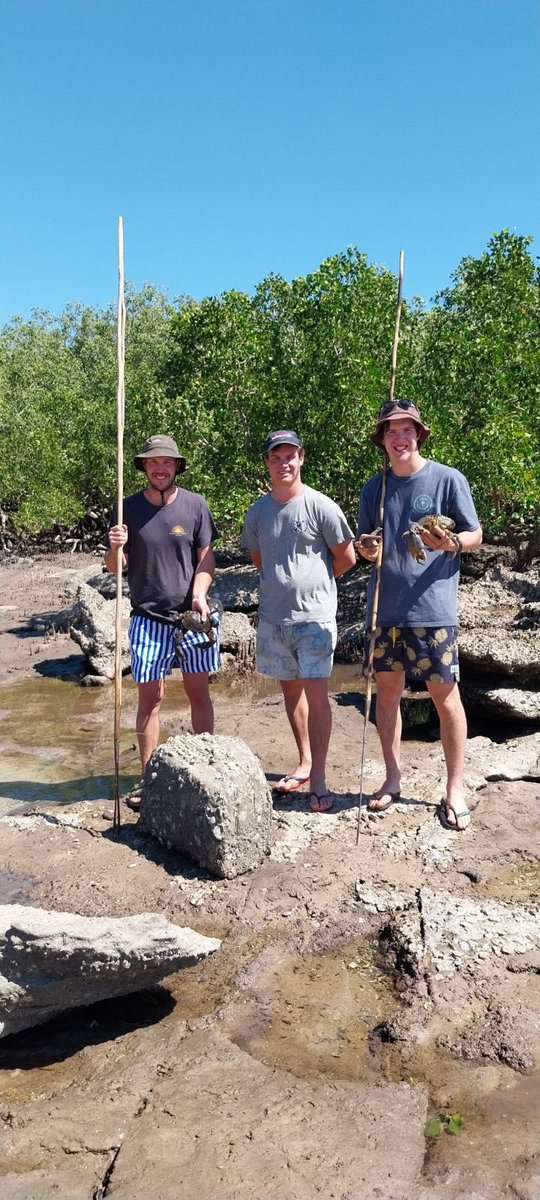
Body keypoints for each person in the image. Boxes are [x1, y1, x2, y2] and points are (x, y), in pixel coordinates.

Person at [356, 399, 483, 830]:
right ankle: (392, 778)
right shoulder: (375, 487)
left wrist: (455, 545)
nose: (400, 437)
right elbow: (366, 543)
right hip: (385, 611)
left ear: (419, 434)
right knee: (387, 695)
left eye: (407, 429)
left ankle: (455, 788)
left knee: (445, 699)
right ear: (383, 440)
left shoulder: (448, 479)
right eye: (391, 431)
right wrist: (367, 549)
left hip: (434, 611)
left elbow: (476, 532)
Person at [241, 429, 356, 812]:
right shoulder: (257, 512)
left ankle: (319, 778)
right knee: (291, 693)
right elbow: (261, 561)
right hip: (274, 619)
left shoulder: (322, 506)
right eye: (276, 457)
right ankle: (304, 762)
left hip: (315, 619)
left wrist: (316, 584)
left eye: (290, 456)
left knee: (318, 694)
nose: (283, 463)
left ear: (301, 458)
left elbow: (346, 557)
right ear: (267, 463)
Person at [105, 434, 220, 808]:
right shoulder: (126, 509)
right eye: (153, 462)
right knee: (150, 699)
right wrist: (115, 547)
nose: (160, 468)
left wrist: (200, 593)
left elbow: (206, 559)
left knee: (198, 692)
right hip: (147, 618)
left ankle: (207, 766)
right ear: (144, 467)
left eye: (167, 462)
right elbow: (115, 569)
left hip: (191, 619)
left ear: (176, 467)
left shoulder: (195, 505)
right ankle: (148, 778)